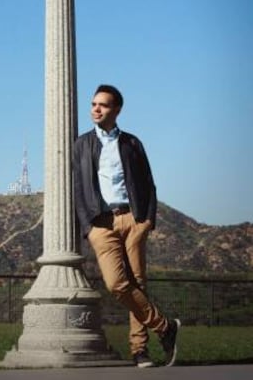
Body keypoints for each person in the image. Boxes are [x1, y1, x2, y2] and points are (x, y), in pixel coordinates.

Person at [73, 84, 180, 368]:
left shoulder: (132, 143)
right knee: (118, 284)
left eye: (103, 105)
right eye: (94, 104)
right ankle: (165, 326)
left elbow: (149, 184)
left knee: (138, 284)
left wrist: (147, 221)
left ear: (116, 109)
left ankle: (140, 350)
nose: (96, 109)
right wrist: (88, 226)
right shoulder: (82, 144)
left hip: (133, 220)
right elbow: (78, 189)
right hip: (101, 223)